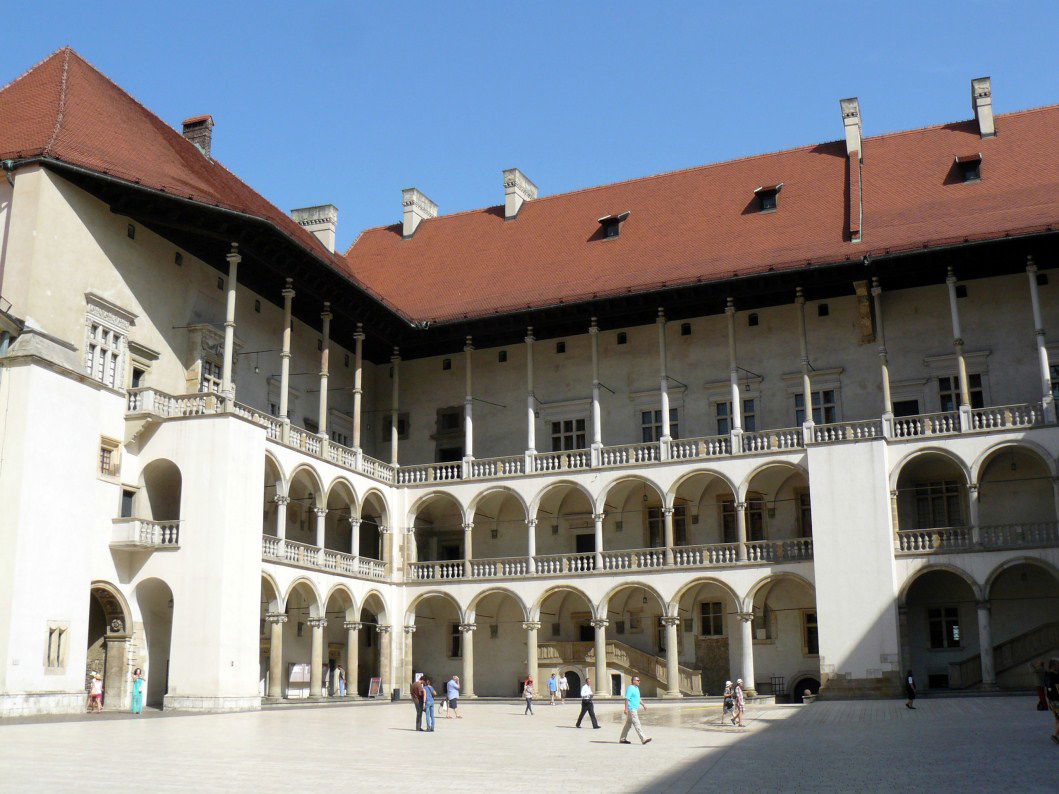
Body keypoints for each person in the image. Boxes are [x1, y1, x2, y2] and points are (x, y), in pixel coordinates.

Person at [619, 675, 651, 745]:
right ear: (634, 681)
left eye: (639, 680)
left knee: (628, 725)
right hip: (631, 709)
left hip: (634, 709)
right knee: (637, 723)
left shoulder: (636, 688)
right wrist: (626, 709)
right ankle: (643, 739)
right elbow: (627, 698)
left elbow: (638, 698)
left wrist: (643, 705)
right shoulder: (630, 688)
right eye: (638, 680)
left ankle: (622, 739)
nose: (639, 682)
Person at [1044, 657, 1059, 745]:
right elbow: (1055, 688)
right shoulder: (1052, 675)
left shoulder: (1050, 675)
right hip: (1055, 700)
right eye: (1058, 665)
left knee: (1057, 719)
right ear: (1053, 666)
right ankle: (1055, 735)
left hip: (1053, 699)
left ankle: (1056, 735)